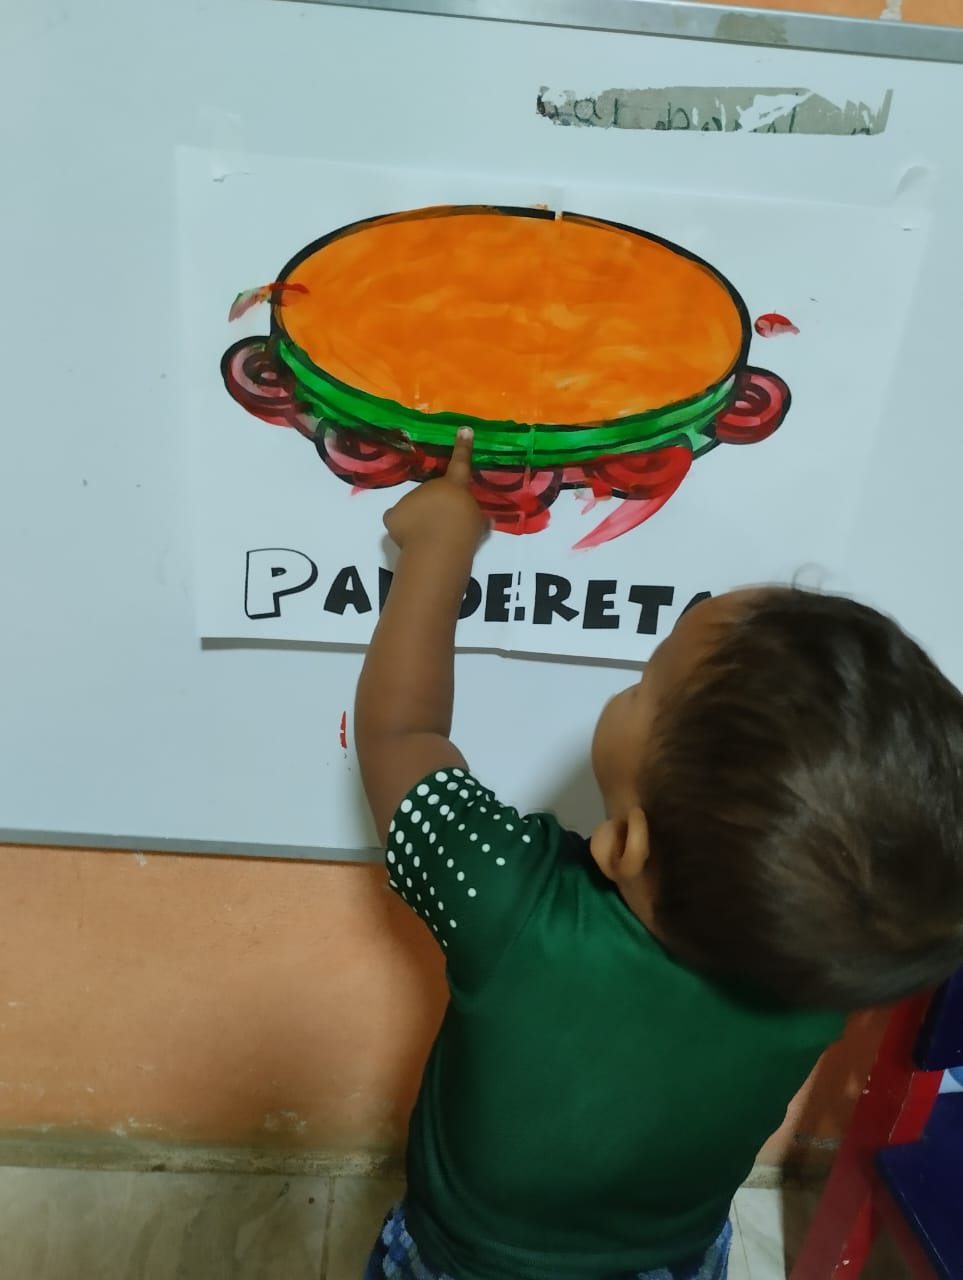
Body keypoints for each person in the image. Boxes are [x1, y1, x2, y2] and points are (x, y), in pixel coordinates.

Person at [354, 429, 963, 1280]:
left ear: (625, 844)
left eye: (642, 685)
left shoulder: (510, 901)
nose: (632, 684)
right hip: (674, 1259)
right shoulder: (835, 968)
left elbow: (401, 733)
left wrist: (439, 545)